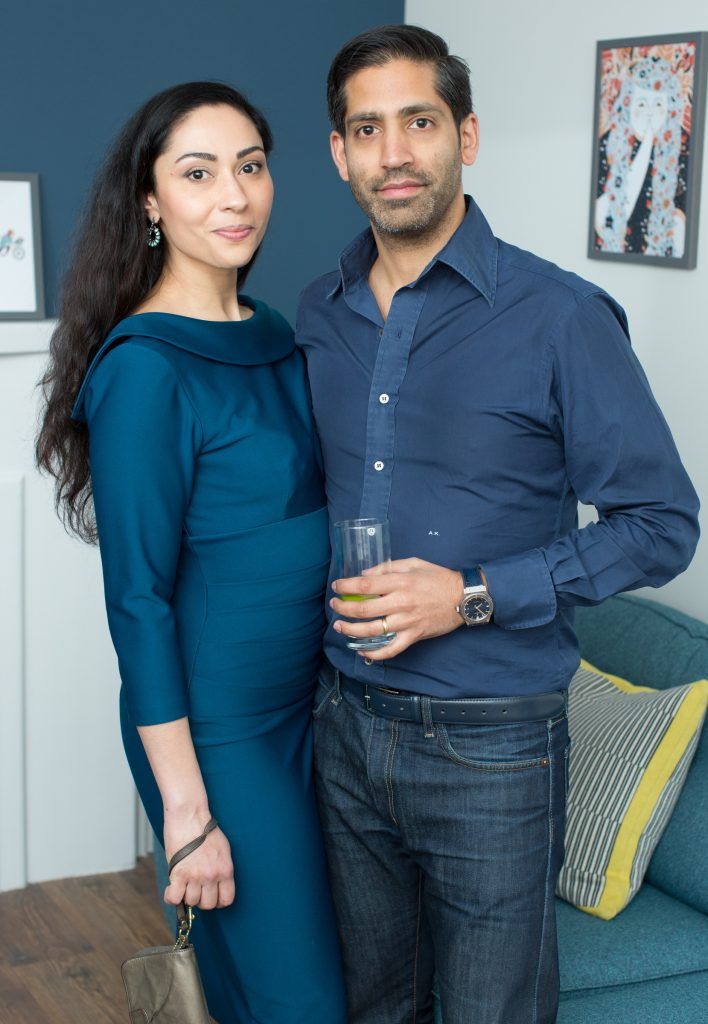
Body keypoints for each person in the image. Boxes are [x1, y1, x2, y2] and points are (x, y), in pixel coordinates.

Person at [295, 25, 700, 1024]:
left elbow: (662, 523)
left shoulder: (560, 318)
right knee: (377, 1006)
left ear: (465, 136)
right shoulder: (320, 313)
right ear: (339, 152)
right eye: (368, 128)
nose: (395, 151)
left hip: (494, 744)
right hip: (346, 722)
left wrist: (469, 595)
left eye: (419, 121)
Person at [35, 82, 346, 1024]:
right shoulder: (144, 370)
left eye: (251, 166)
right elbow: (137, 599)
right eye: (198, 172)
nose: (235, 196)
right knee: (303, 1004)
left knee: (286, 990)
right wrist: (186, 813)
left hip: (312, 711)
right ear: (150, 201)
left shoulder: (276, 335)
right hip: (221, 739)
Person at [594, 55, 688, 257]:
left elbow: (680, 227)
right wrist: (646, 146)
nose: (650, 113)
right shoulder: (609, 143)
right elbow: (603, 217)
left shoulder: (681, 146)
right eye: (642, 104)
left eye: (658, 105)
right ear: (629, 103)